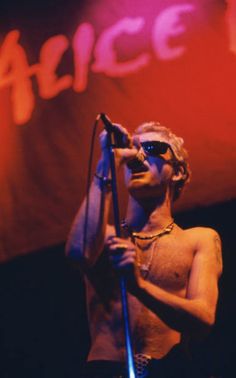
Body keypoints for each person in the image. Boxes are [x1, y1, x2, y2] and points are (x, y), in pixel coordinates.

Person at [65, 121, 223, 378]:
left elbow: (203, 320)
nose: (139, 155)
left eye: (153, 147)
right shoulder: (104, 235)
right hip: (104, 371)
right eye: (135, 148)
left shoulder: (200, 239)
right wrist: (107, 161)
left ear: (177, 172)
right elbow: (77, 253)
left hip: (169, 370)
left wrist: (139, 287)